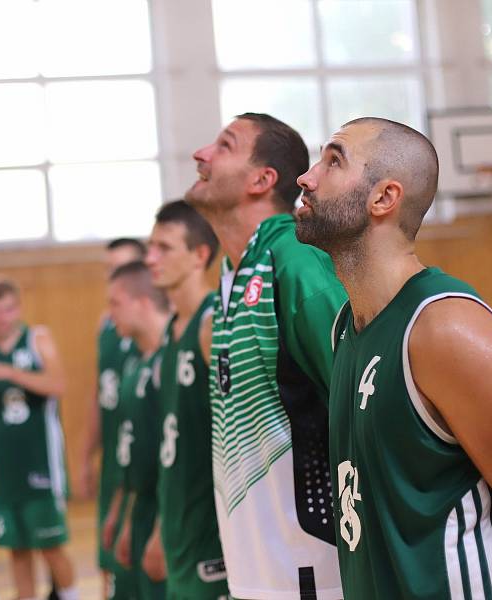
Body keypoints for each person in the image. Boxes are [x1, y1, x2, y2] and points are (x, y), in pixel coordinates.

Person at [294, 116, 492, 599]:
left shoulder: (442, 329)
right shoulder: (346, 327)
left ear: (384, 198)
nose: (306, 177)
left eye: (333, 161)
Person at [184, 113, 348, 599]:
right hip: (253, 569)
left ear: (262, 179)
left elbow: (360, 401)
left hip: (311, 567)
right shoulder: (230, 280)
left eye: (224, 146)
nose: (201, 155)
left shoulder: (295, 261)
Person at [0, 277, 78, 600]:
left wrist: (9, 372)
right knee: (17, 550)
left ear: (19, 309)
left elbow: (58, 385)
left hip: (41, 464)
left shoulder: (37, 339)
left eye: (9, 309)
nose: (2, 317)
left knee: (51, 546)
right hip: (4, 471)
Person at [144, 200, 229, 599]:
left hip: (213, 533)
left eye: (163, 248)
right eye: (150, 247)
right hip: (179, 526)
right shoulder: (169, 333)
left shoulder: (211, 326)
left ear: (200, 255)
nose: (150, 258)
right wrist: (161, 529)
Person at [79, 238, 146, 599]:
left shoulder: (154, 327)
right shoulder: (106, 324)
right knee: (110, 562)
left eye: (120, 268)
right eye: (109, 270)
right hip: (113, 461)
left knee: (140, 565)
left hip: (142, 463)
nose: (112, 277)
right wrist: (85, 456)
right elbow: (97, 392)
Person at [103, 261, 170, 599]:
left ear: (142, 302)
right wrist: (125, 516)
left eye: (115, 303)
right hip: (142, 506)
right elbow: (135, 454)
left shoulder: (170, 362)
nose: (109, 313)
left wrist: (162, 529)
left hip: (168, 510)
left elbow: (178, 457)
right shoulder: (136, 364)